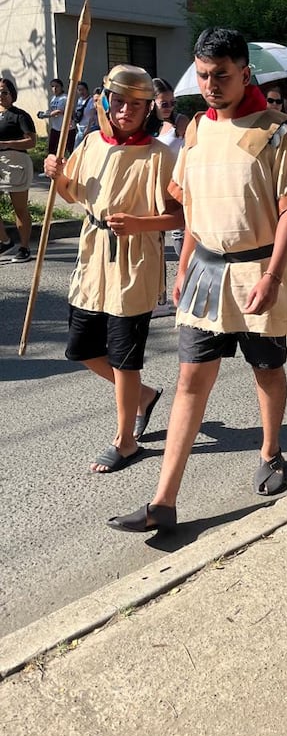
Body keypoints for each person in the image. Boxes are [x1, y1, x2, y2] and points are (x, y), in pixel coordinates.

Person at [108, 28, 287, 533]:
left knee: (266, 369)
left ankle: (271, 451)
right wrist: (182, 267)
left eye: (221, 75)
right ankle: (164, 501)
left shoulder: (279, 130)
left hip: (257, 270)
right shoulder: (197, 132)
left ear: (245, 72)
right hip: (205, 269)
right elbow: (192, 211)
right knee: (190, 379)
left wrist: (273, 273)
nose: (210, 85)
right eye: (203, 75)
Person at [43, 65, 183, 472]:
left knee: (125, 357)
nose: (125, 111)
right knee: (82, 349)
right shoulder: (89, 143)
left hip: (135, 261)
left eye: (136, 105)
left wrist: (142, 223)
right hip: (93, 256)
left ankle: (125, 441)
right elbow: (74, 196)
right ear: (106, 102)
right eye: (119, 102)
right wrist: (56, 176)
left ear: (147, 109)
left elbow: (179, 217)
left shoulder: (159, 154)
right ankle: (143, 397)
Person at [151, 77, 190, 315]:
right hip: (152, 192)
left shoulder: (180, 123)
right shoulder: (146, 127)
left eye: (172, 102)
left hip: (177, 191)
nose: (169, 107)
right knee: (155, 247)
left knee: (181, 243)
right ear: (152, 103)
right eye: (164, 103)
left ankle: (186, 291)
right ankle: (159, 299)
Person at [0, 77, 36, 263]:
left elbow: (32, 141)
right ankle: (5, 241)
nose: (0, 95)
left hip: (16, 162)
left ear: (12, 94)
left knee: (19, 208)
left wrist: (6, 144)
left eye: (4, 92)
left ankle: (24, 248)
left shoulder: (20, 115)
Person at [38, 77, 74, 157]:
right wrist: (43, 113)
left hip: (67, 129)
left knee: (70, 150)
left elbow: (58, 111)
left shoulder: (65, 98)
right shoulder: (53, 98)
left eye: (57, 86)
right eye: (52, 86)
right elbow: (51, 110)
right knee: (52, 150)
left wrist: (45, 115)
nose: (54, 88)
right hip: (56, 128)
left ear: (61, 87)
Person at [73, 81, 98, 148]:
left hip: (90, 128)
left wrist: (88, 128)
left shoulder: (91, 100)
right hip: (80, 128)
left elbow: (92, 116)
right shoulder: (80, 100)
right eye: (79, 90)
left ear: (87, 89)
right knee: (77, 149)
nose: (81, 92)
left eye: (83, 89)